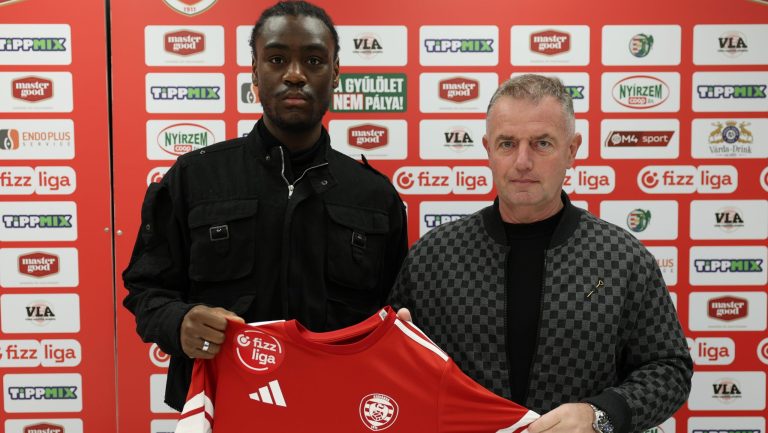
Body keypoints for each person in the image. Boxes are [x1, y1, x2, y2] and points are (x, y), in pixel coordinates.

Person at [123, 0, 407, 412]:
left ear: (335, 73)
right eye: (276, 59)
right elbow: (146, 290)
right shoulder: (194, 178)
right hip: (220, 408)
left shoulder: (374, 196)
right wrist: (178, 322)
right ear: (255, 72)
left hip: (335, 407)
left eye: (314, 60)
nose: (295, 74)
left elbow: (395, 315)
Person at [389, 74, 692, 433]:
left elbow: (669, 369)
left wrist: (600, 415)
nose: (522, 161)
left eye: (542, 143)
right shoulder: (433, 258)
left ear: (572, 150)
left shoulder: (622, 258)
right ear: (488, 150)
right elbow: (391, 376)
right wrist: (394, 353)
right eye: (507, 144)